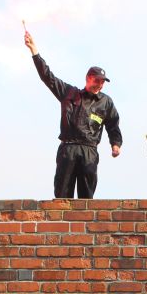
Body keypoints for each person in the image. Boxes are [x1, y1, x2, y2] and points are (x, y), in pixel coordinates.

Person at [24, 30, 121, 198]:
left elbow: (113, 125)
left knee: (86, 197)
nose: (99, 85)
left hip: (89, 151)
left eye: (102, 82)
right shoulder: (69, 93)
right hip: (68, 148)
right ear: (88, 78)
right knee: (62, 194)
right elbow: (48, 77)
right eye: (96, 80)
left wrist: (116, 144)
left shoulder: (106, 102)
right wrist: (34, 51)